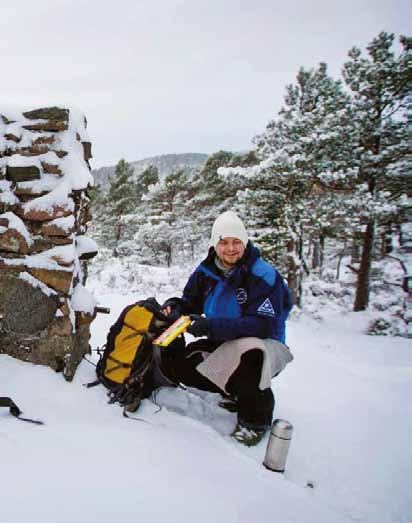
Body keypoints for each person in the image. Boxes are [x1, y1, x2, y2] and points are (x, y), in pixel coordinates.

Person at [162, 211, 294, 446]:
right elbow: (190, 302)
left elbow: (263, 324)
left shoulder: (263, 275)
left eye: (236, 242)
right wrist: (175, 307)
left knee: (251, 356)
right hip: (224, 339)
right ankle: (234, 392)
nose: (230, 248)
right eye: (224, 242)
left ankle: (255, 421)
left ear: (245, 242)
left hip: (267, 345)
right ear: (215, 244)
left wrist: (210, 326)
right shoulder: (207, 272)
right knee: (182, 364)